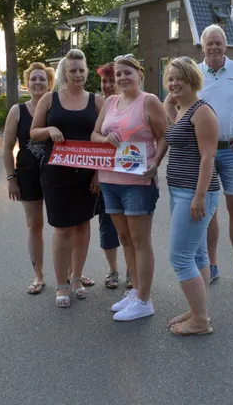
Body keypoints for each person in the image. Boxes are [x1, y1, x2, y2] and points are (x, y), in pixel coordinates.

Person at [164, 24, 233, 291]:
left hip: (232, 150)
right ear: (202, 47)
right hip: (203, 154)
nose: (214, 47)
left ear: (226, 45)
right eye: (209, 43)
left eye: (218, 43)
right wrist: (180, 128)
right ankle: (211, 265)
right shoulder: (194, 73)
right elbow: (169, 101)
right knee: (209, 211)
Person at [92, 54, 168, 322]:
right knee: (124, 239)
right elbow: (94, 134)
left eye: (128, 73)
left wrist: (156, 162)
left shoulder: (149, 101)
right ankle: (136, 291)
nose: (122, 78)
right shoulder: (111, 101)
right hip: (110, 180)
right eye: (118, 74)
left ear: (139, 75)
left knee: (140, 241)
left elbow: (164, 136)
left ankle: (145, 300)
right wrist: (105, 137)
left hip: (138, 182)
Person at [30, 49, 105, 308]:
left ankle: (76, 278)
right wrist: (49, 129)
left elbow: (105, 140)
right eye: (72, 70)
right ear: (64, 72)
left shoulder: (97, 101)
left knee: (83, 226)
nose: (77, 75)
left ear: (87, 72)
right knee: (62, 229)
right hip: (56, 173)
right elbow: (34, 132)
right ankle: (61, 284)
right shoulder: (50, 100)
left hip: (87, 174)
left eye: (81, 70)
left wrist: (98, 173)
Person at [161, 57, 220, 336]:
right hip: (180, 191)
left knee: (180, 257)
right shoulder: (181, 110)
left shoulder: (202, 111)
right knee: (197, 256)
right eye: (170, 79)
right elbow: (168, 128)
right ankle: (198, 310)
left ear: (192, 79)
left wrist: (199, 197)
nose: (173, 83)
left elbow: (208, 157)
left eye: (179, 78)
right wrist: (170, 101)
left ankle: (200, 321)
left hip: (195, 194)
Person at [2, 62, 54, 295]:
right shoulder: (17, 111)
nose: (37, 83)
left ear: (49, 83)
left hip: (56, 174)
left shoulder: (56, 108)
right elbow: (6, 148)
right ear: (27, 82)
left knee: (66, 225)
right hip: (27, 174)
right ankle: (39, 275)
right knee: (35, 226)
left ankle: (73, 273)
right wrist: (11, 178)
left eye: (42, 79)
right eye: (33, 79)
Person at [94, 63, 132, 290]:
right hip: (105, 174)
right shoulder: (100, 104)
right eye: (104, 82)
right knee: (107, 223)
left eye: (112, 81)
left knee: (131, 226)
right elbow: (93, 138)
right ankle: (112, 270)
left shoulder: (132, 103)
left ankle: (131, 270)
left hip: (129, 172)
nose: (108, 86)